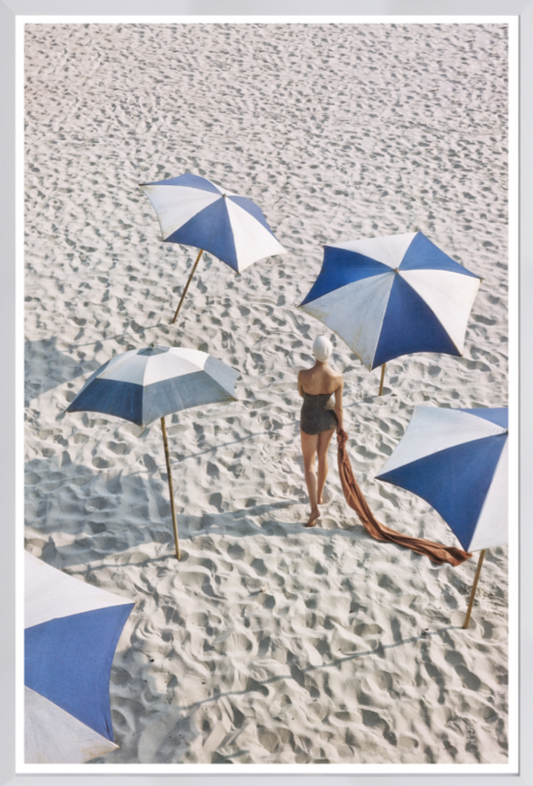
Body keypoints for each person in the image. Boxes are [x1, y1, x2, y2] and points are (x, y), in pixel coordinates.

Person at [298, 335, 343, 528]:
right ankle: (319, 495)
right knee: (323, 456)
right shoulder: (337, 377)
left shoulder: (304, 375)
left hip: (309, 418)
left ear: (313, 352)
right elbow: (339, 407)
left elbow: (301, 393)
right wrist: (341, 426)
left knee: (309, 464)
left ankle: (314, 507)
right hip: (329, 418)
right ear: (330, 353)